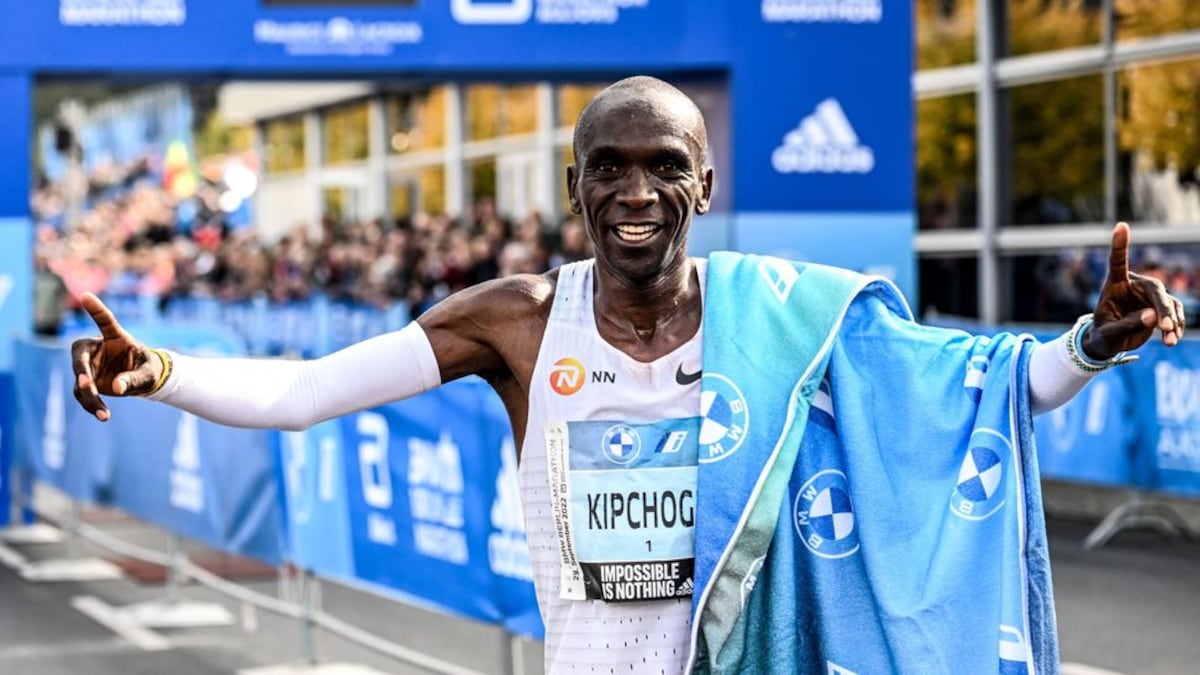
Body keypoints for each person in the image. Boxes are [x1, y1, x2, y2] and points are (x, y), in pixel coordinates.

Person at [71, 77, 1185, 674]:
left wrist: (1089, 346)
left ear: (704, 186)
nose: (636, 191)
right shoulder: (513, 323)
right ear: (576, 188)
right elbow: (301, 394)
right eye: (610, 168)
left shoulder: (788, 317)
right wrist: (155, 368)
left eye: (664, 169)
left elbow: (979, 389)